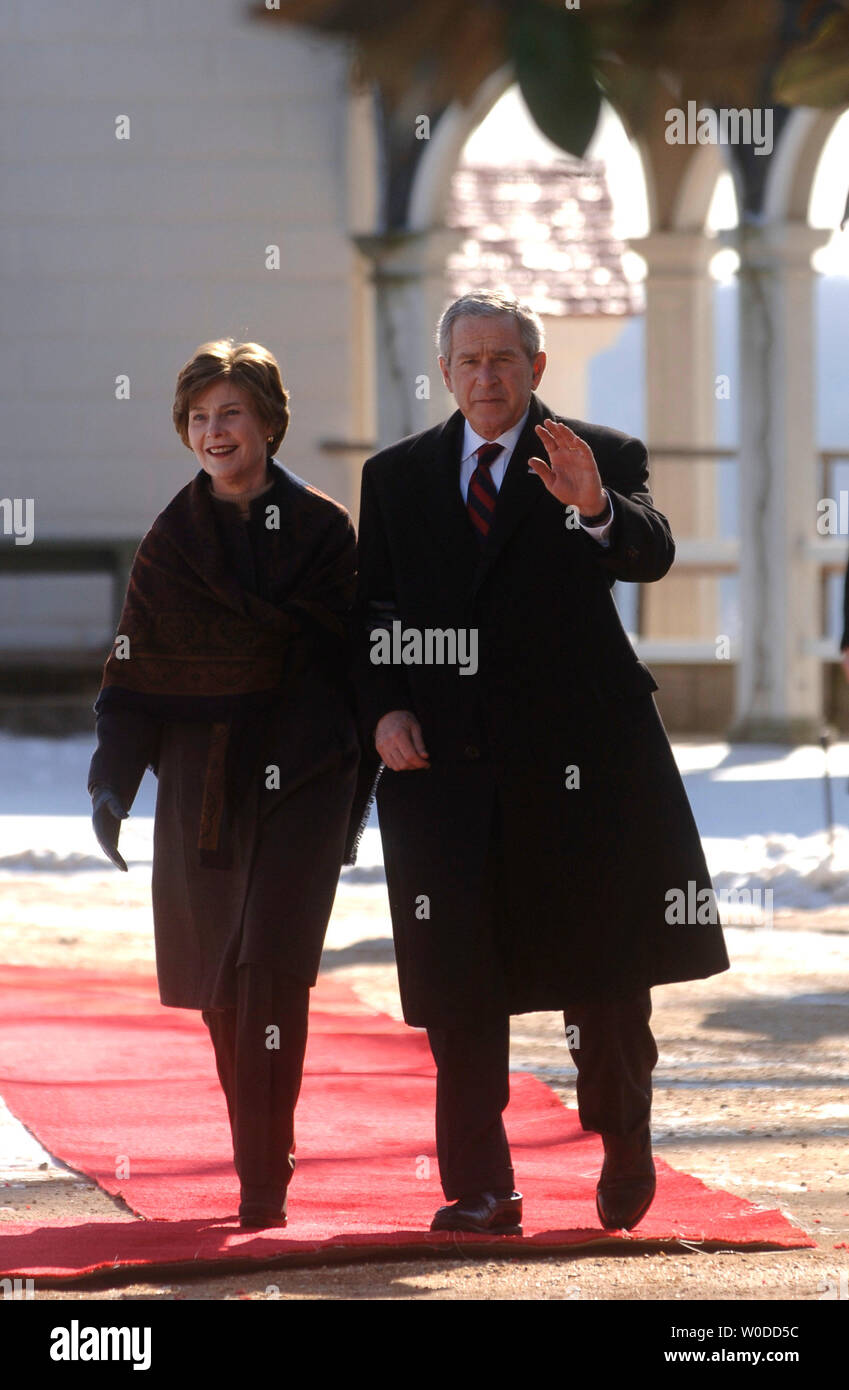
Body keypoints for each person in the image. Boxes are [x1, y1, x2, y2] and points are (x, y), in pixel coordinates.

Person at [351, 291, 730, 1235]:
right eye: (469, 361)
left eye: (505, 360)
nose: (487, 376)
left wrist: (595, 506)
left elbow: (649, 554)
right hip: (447, 769)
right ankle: (481, 1188)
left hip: (582, 762)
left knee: (604, 980)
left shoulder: (594, 453)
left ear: (535, 368)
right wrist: (385, 706)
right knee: (458, 983)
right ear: (444, 372)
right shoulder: (395, 477)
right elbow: (372, 613)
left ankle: (623, 1135)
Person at [88, 339, 360, 1229]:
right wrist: (112, 784)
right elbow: (133, 670)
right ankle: (262, 1134)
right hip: (200, 778)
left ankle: (259, 1177)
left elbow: (348, 657)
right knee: (217, 986)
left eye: (232, 413)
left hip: (304, 774)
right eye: (199, 417)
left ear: (270, 423)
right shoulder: (170, 543)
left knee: (268, 972)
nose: (215, 431)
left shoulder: (323, 531)